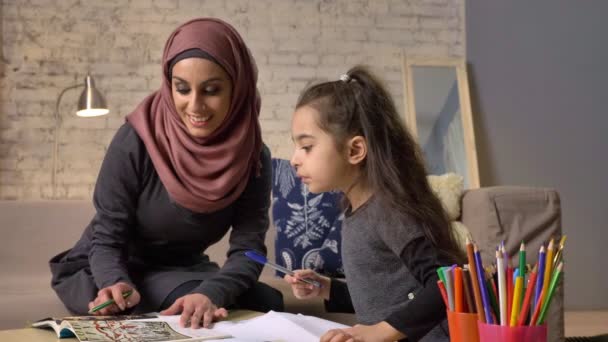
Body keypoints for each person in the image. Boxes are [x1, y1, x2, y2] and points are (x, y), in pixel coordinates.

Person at [49, 18, 283, 329]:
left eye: (211, 90)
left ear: (237, 88)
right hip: (106, 267)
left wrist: (212, 292)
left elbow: (249, 250)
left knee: (267, 300)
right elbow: (107, 238)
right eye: (182, 88)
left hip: (184, 268)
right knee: (196, 297)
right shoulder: (135, 140)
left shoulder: (254, 156)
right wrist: (114, 281)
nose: (194, 105)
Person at [285, 66, 466, 342]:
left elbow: (448, 283)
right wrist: (327, 289)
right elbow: (385, 299)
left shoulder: (388, 211)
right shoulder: (356, 210)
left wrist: (382, 332)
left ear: (355, 150)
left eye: (306, 146)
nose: (294, 159)